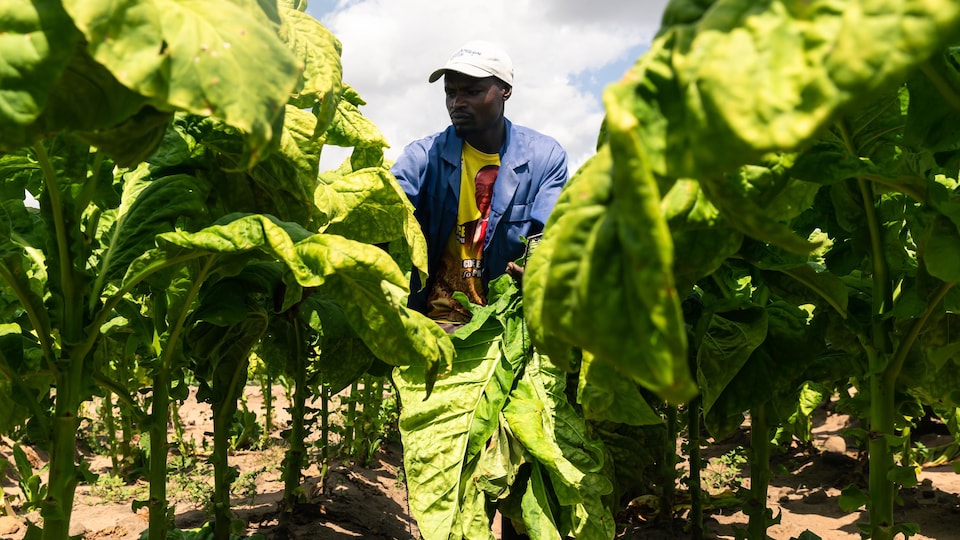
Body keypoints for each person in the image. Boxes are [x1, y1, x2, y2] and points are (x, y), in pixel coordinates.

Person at [391, 40, 569, 331]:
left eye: (472, 92)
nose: (457, 103)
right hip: (436, 325)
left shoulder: (543, 157)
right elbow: (384, 208)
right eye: (451, 92)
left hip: (507, 326)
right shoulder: (423, 157)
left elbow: (552, 234)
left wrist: (540, 271)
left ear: (505, 90)